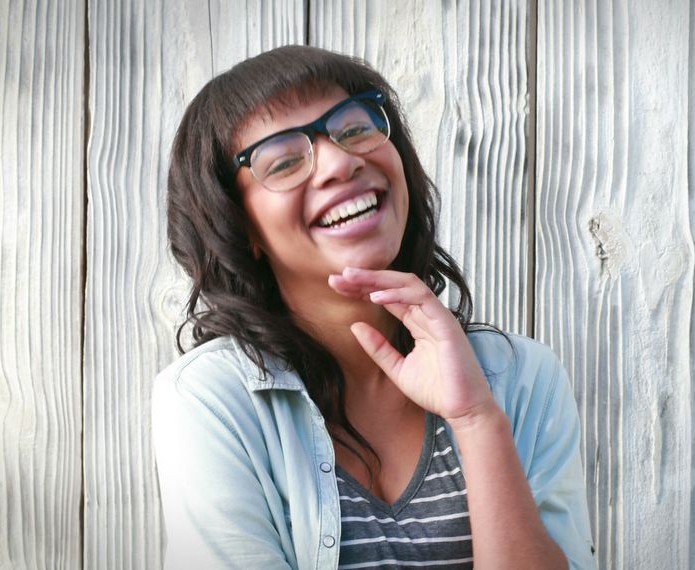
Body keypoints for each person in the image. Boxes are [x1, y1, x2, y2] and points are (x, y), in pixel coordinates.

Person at [154, 45, 595, 569]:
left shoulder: (525, 380)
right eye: (285, 160)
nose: (342, 161)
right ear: (241, 227)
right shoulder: (212, 401)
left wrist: (476, 420)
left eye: (356, 128)